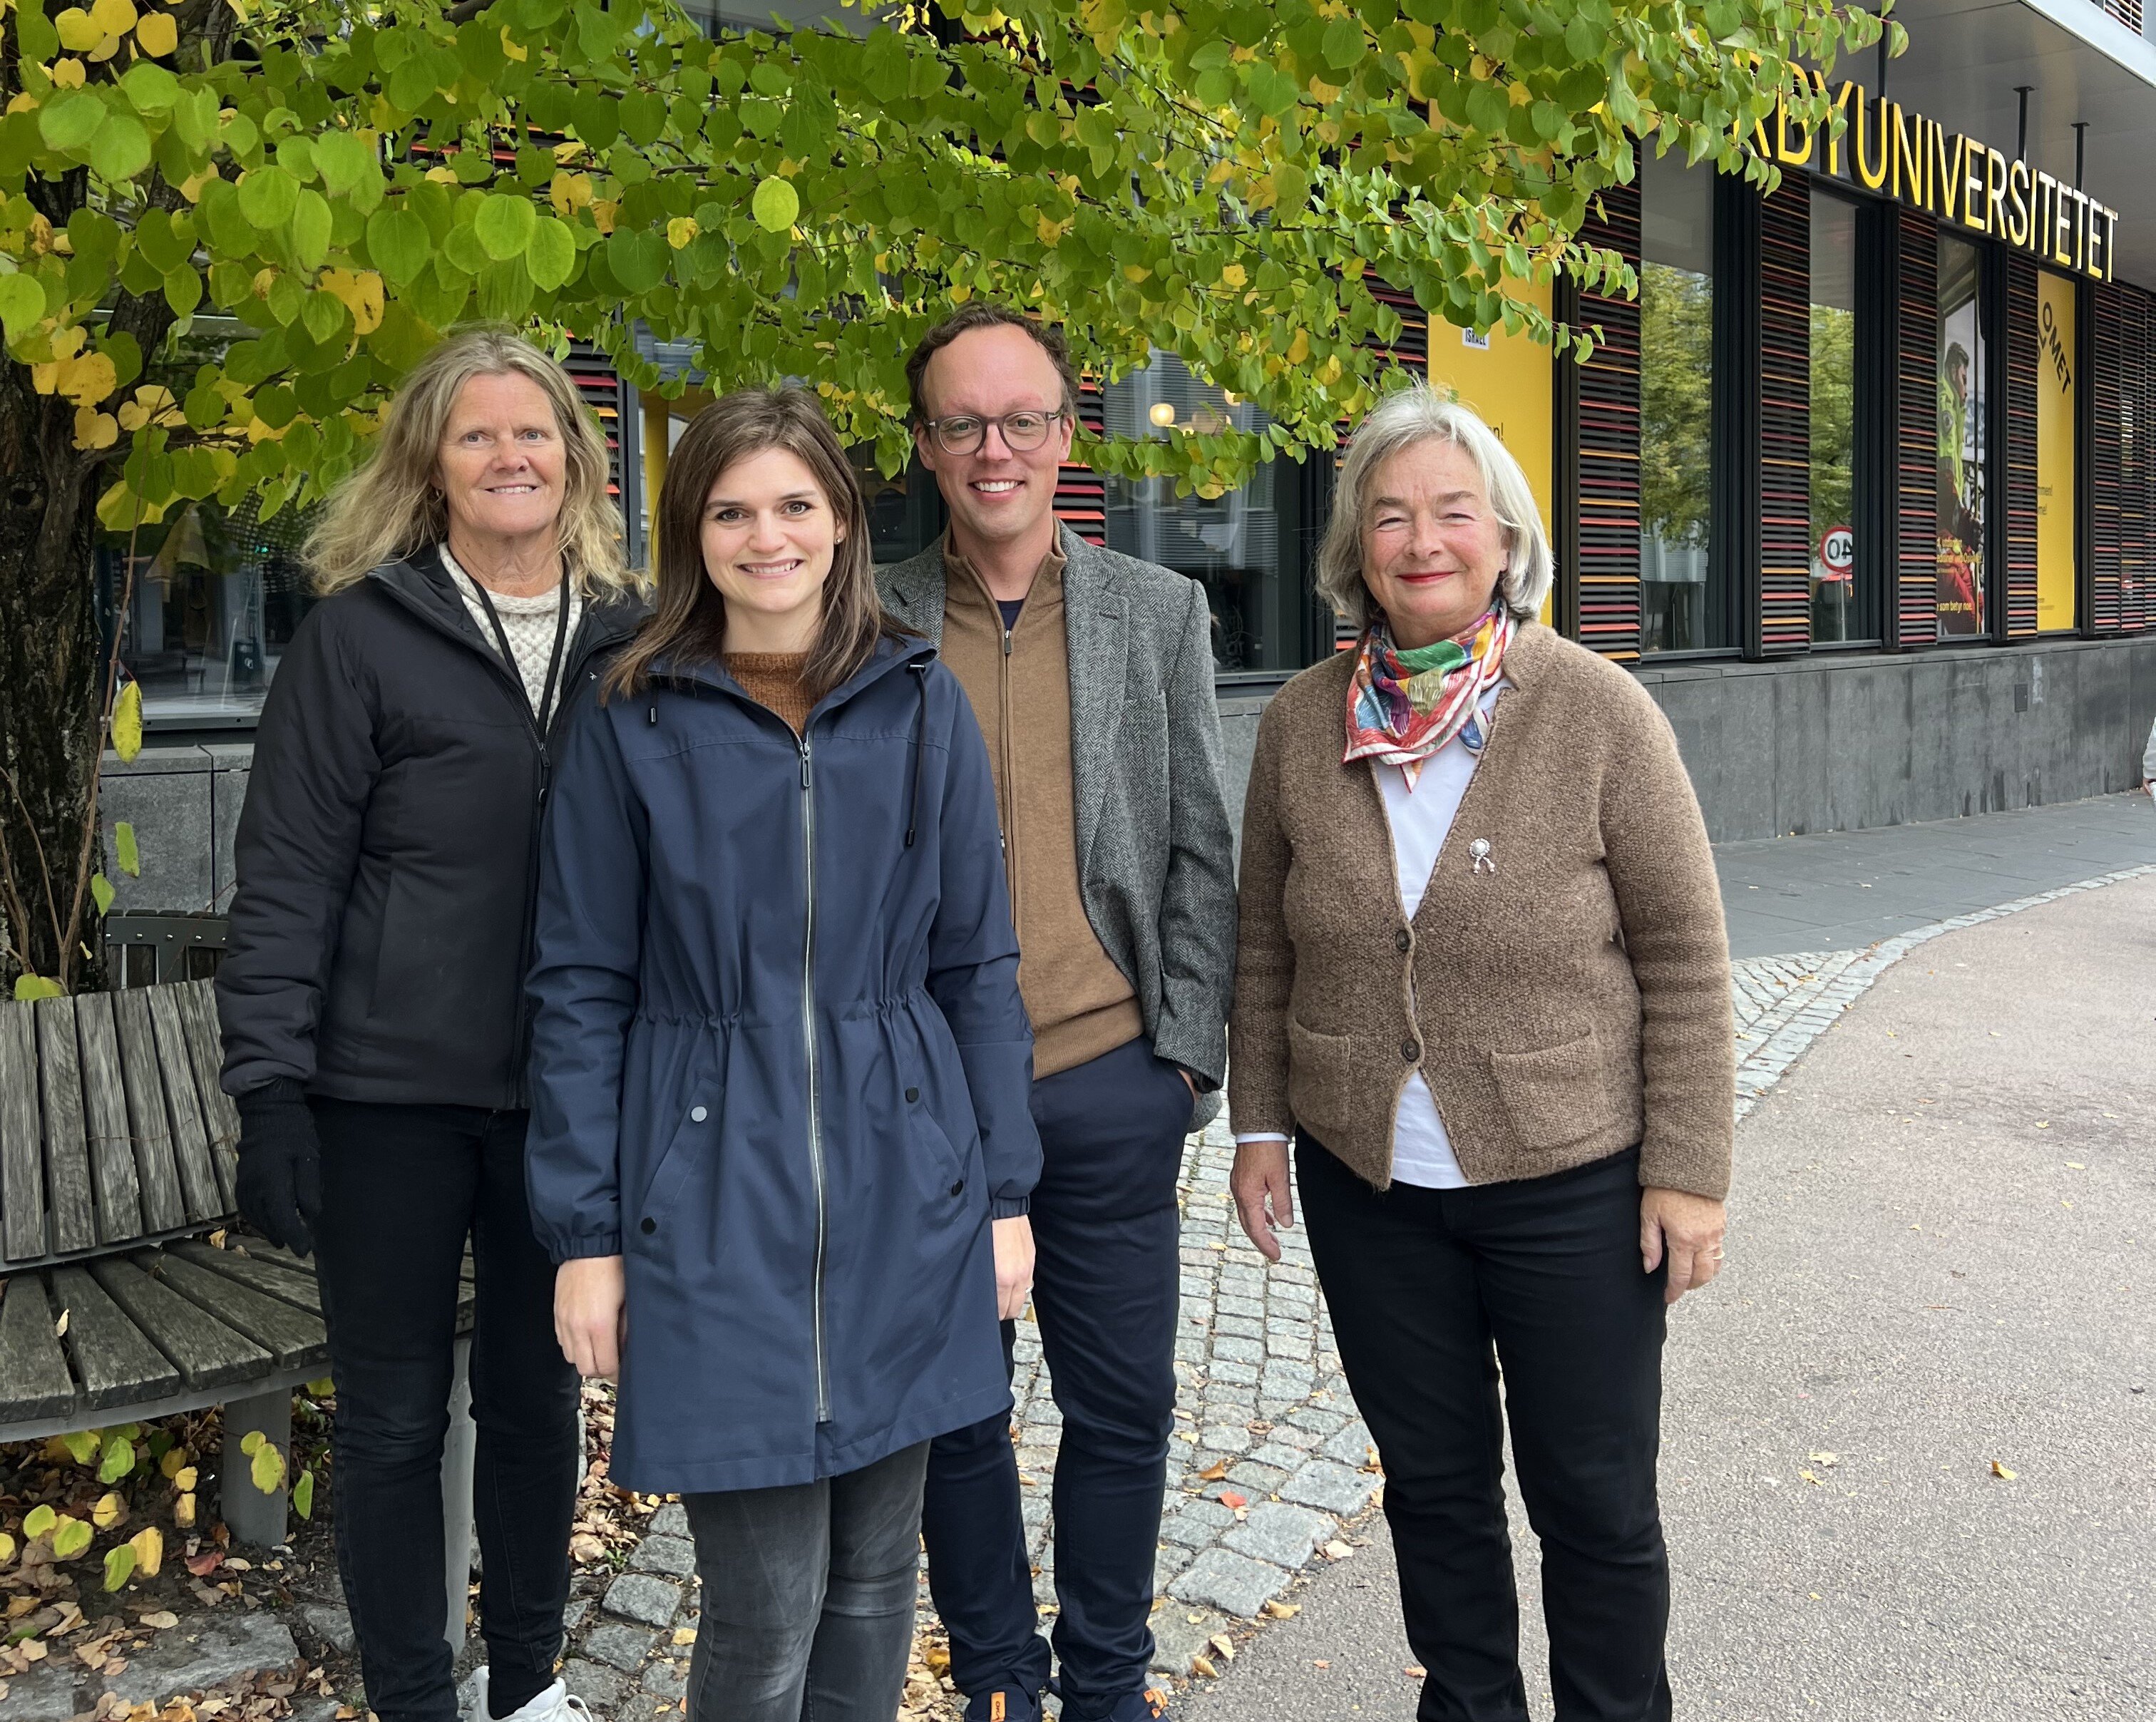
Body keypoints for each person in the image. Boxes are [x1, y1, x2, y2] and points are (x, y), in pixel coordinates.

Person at [525, 386, 1040, 1722]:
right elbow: (579, 984)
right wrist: (586, 1233)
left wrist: (1001, 1195)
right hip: (709, 1200)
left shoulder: (920, 702)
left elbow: (976, 963)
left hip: (905, 1189)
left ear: (841, 520)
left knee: (876, 1585)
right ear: (692, 530)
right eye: (733, 510)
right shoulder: (626, 716)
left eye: (795, 506)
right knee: (762, 1611)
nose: (768, 537)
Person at [1227, 386, 1735, 1722]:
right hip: (1370, 1185)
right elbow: (1265, 947)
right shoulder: (1298, 722)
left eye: (1454, 511)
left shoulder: (1600, 713)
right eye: (1389, 516)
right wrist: (1261, 1127)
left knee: (1596, 1502)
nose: (1422, 539)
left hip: (1570, 1179)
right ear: (1354, 550)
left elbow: (1684, 953)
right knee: (1436, 1489)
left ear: (1506, 537)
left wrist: (1686, 1171)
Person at [217, 327, 649, 1722]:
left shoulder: (636, 635)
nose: (510, 454)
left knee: (537, 1410)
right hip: (383, 1097)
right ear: (430, 465)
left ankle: (527, 1683)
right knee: (398, 1419)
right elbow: (287, 874)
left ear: (577, 459)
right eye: (477, 434)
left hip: (568, 1098)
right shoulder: (359, 636)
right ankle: (414, 1694)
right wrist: (269, 1086)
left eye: (535, 431)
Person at [879, 304, 1238, 1722]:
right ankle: (998, 1679)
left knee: (1125, 1404)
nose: (994, 447)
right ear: (924, 444)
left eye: (1021, 417)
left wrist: (1184, 1059)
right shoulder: (868, 611)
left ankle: (1104, 1682)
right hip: (932, 1094)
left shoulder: (1158, 611)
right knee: (960, 1405)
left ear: (1067, 431)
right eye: (963, 422)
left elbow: (1204, 846)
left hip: (1105, 1077)